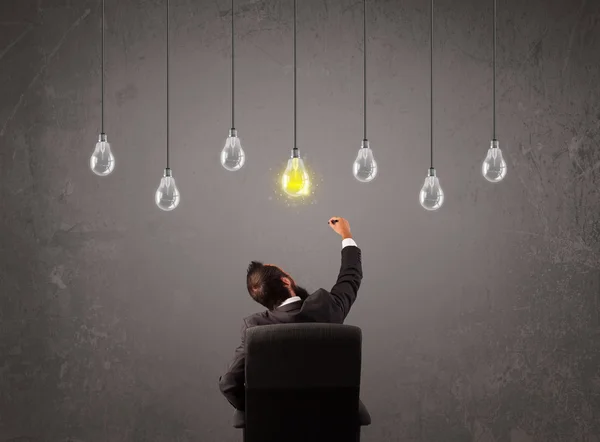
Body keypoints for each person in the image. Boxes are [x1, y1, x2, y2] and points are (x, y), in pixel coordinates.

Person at [218, 216, 363, 411]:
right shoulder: (325, 308)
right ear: (286, 281)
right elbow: (350, 277)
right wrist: (346, 234)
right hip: (331, 422)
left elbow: (228, 384)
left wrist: (259, 412)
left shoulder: (255, 328)